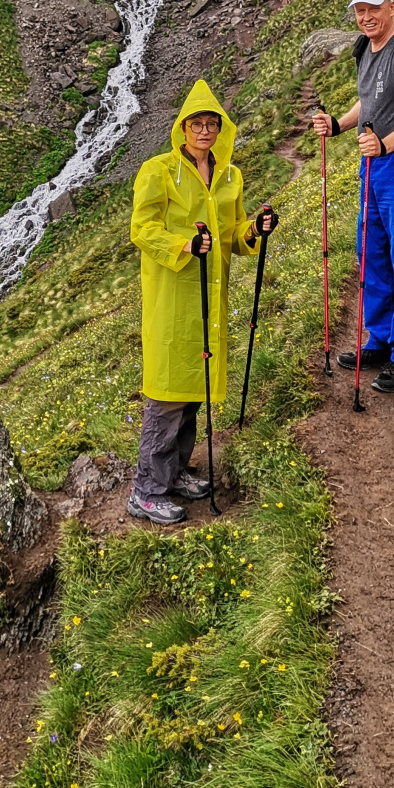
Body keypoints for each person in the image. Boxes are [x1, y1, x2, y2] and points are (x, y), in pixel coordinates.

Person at [129, 79, 278, 522]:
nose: (205, 130)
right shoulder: (158, 171)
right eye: (197, 122)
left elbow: (231, 235)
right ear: (182, 127)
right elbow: (143, 228)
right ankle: (145, 490)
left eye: (213, 123)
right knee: (166, 395)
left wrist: (254, 230)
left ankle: (174, 475)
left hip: (209, 298)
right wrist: (184, 247)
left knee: (194, 389)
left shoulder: (230, 176)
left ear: (221, 128)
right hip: (173, 298)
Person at [312, 0, 394, 392]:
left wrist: (386, 143)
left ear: (391, 6)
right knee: (372, 253)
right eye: (359, 10)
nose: (366, 17)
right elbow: (369, 101)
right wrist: (338, 125)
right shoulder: (365, 48)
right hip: (374, 165)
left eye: (373, 8)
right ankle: (381, 340)